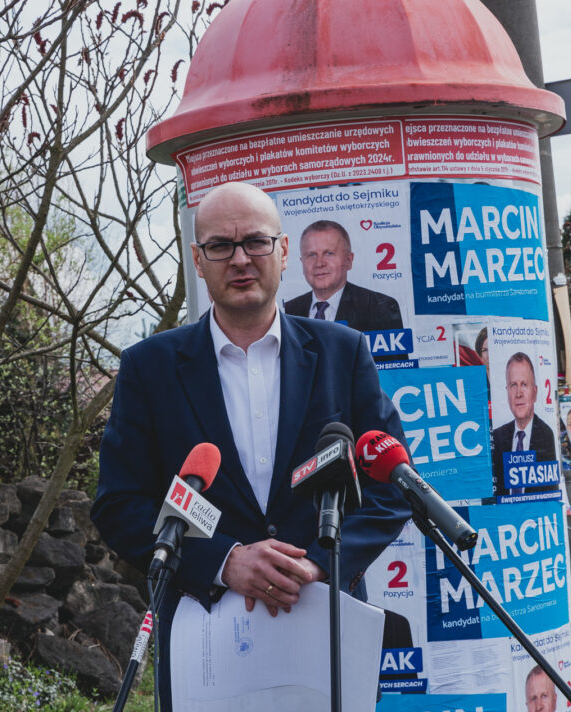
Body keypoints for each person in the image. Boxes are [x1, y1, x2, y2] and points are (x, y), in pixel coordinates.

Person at [93, 182, 411, 709]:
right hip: (207, 639)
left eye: (256, 242)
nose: (240, 259)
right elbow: (120, 504)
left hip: (324, 627)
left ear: (283, 252)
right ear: (198, 260)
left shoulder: (343, 353)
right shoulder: (149, 368)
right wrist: (224, 561)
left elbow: (392, 490)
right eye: (221, 246)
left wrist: (315, 564)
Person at [283, 219, 403, 333]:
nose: (319, 263)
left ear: (348, 261)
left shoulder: (380, 308)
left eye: (329, 253)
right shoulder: (286, 312)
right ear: (302, 262)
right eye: (311, 255)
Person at [490, 352, 558, 495]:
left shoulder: (546, 435)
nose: (518, 393)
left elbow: (550, 493)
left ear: (535, 392)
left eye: (524, 385)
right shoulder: (497, 437)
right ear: (507, 391)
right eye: (513, 385)